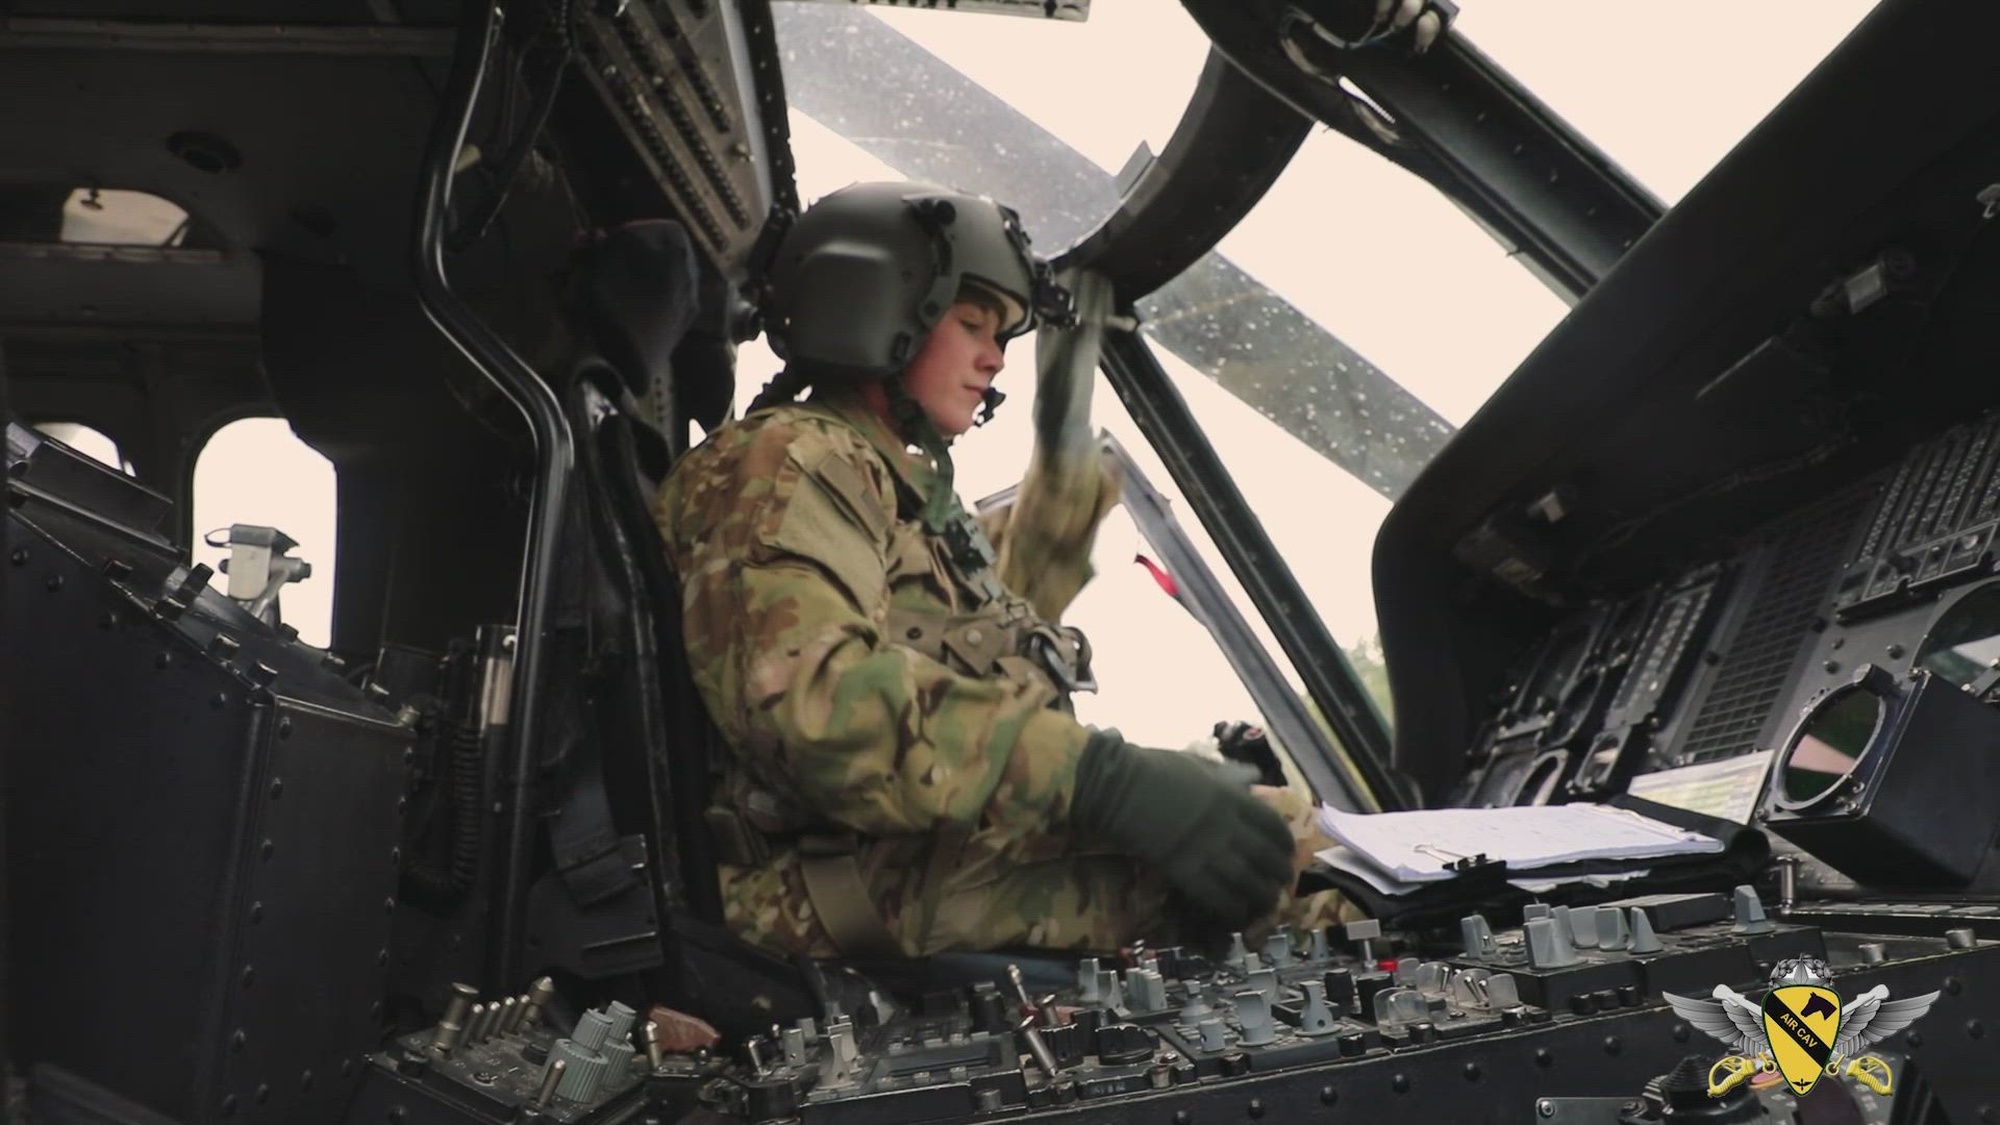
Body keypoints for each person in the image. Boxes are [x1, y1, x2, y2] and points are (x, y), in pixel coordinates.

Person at [653, 181, 1359, 959]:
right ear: (883, 308)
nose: (994, 355)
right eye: (971, 323)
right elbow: (821, 708)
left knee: (1302, 840)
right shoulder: (790, 460)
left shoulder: (886, 483)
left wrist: (1063, 456)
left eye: (1002, 332)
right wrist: (1100, 780)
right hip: (822, 886)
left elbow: (1000, 612)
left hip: (896, 857)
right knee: (1300, 867)